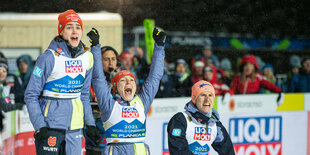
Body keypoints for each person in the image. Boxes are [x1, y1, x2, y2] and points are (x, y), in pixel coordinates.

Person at [24, 10, 100, 154]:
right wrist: (40, 125)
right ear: (61, 31)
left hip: (75, 128)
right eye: (69, 27)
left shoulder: (87, 58)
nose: (74, 31)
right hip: (50, 126)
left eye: (78, 27)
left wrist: (90, 124)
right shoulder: (48, 58)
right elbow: (30, 94)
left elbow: (84, 95)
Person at [90, 27, 166, 154]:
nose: (128, 82)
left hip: (139, 150)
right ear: (115, 88)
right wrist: (95, 46)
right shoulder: (109, 104)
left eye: (131, 80)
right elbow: (98, 78)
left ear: (135, 87)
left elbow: (155, 77)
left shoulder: (142, 102)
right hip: (115, 150)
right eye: (122, 80)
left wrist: (159, 46)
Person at [167, 80, 235, 155]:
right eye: (203, 95)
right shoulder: (180, 119)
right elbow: (178, 151)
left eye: (210, 95)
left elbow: (228, 151)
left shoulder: (215, 124)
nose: (207, 100)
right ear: (194, 98)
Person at [86, 46, 120, 155]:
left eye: (113, 59)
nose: (110, 63)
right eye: (106, 59)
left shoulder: (121, 80)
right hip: (95, 135)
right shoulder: (90, 81)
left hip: (114, 137)